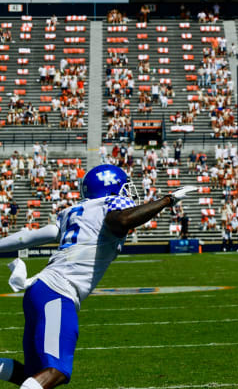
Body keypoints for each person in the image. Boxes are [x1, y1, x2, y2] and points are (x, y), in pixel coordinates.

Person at [0, 164, 196, 389]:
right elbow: (121, 221)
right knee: (56, 371)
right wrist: (166, 201)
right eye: (124, 188)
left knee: (33, 375)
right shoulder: (111, 204)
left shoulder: (72, 212)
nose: (128, 193)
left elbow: (26, 238)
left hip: (39, 290)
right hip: (58, 292)